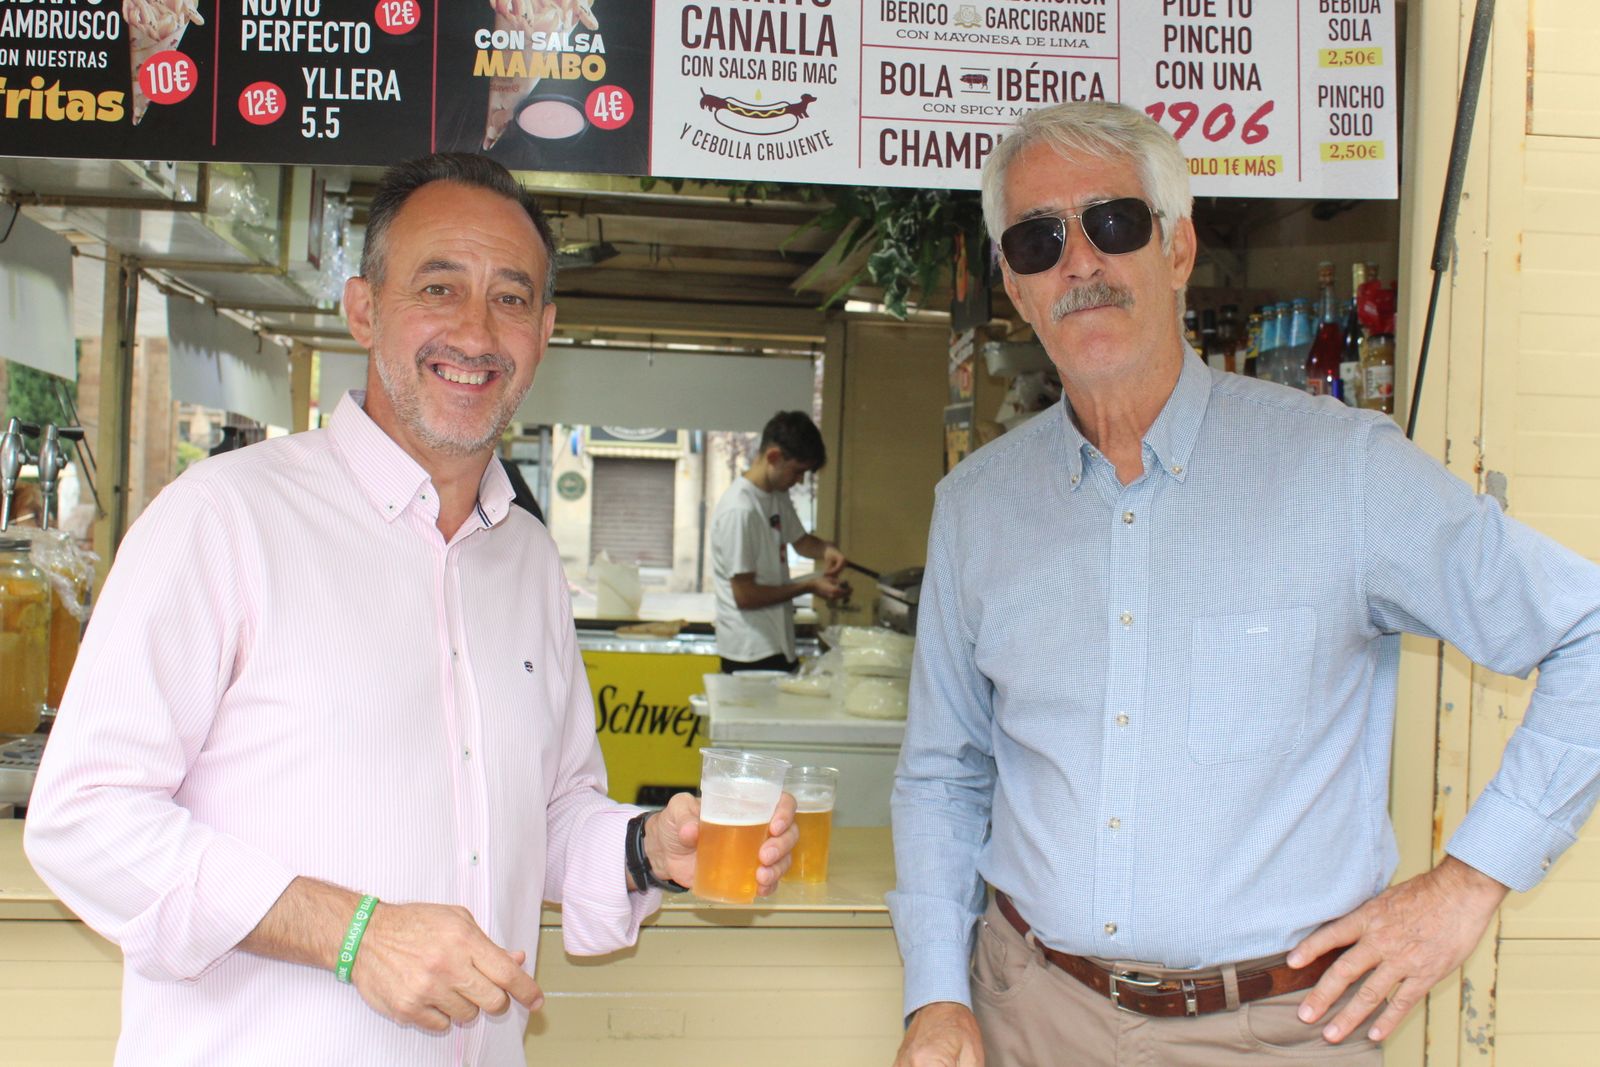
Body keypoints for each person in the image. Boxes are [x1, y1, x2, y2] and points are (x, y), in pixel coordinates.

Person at [24, 153, 797, 1066]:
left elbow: (543, 813)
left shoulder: (527, 559)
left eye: (510, 299)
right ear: (364, 309)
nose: (475, 331)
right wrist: (352, 932)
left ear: (543, 333)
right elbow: (82, 818)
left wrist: (647, 845)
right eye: (439, 286)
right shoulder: (222, 517)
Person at [888, 100, 1600, 1067]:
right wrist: (936, 993)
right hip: (1030, 1017)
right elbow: (944, 774)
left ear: (1178, 249)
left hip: (1283, 1032)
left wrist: (1469, 883)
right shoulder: (975, 508)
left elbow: (1585, 631)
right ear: (1014, 284)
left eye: (1113, 222)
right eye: (1039, 239)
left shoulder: (1343, 470)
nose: (1081, 263)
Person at [709, 411, 850, 673]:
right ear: (773, 456)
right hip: (749, 652)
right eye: (798, 471)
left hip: (778, 643)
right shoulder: (739, 511)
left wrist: (827, 549)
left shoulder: (775, 494)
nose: (800, 481)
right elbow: (745, 596)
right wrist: (809, 585)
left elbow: (801, 542)